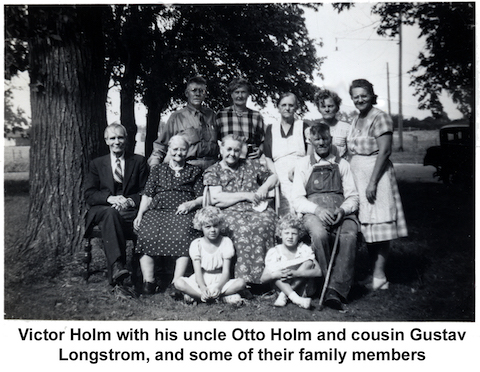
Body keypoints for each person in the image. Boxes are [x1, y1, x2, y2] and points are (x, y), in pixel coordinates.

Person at [347, 79, 408, 290]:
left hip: (377, 176)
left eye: (363, 95)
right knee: (369, 227)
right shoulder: (355, 120)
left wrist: (372, 182)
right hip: (358, 177)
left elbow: (385, 151)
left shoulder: (380, 117)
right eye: (356, 96)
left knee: (380, 226)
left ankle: (380, 275)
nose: (360, 99)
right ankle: (375, 274)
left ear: (372, 96)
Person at [292, 123, 359, 310]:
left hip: (340, 211)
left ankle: (336, 290)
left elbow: (353, 196)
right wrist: (318, 210)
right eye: (317, 139)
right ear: (311, 141)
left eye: (325, 139)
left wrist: (343, 211)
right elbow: (297, 198)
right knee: (319, 235)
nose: (321, 142)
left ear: (330, 139)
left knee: (349, 235)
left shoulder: (342, 164)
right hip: (314, 211)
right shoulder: (303, 164)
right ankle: (323, 281)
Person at [203, 134, 278, 288]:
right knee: (239, 229)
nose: (232, 154)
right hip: (228, 211)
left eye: (236, 150)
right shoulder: (214, 171)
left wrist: (263, 187)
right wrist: (245, 195)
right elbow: (217, 199)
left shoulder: (250, 165)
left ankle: (266, 279)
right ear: (221, 148)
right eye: (229, 149)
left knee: (265, 224)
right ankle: (241, 280)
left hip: (256, 209)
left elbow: (273, 178)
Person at [133, 135, 204, 295]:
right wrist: (140, 214)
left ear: (188, 151)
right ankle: (149, 281)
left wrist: (190, 204)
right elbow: (148, 195)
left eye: (182, 149)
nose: (178, 153)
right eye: (175, 149)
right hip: (158, 209)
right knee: (146, 231)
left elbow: (201, 196)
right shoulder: (158, 169)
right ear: (169, 150)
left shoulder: (195, 170)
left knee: (185, 233)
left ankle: (176, 283)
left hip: (183, 210)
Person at [85, 123, 149, 286]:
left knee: (124, 218)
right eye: (112, 138)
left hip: (129, 209)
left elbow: (145, 191)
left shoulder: (138, 161)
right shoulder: (97, 164)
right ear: (106, 141)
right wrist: (110, 198)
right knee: (111, 214)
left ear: (126, 139)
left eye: (120, 137)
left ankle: (120, 271)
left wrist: (129, 201)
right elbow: (89, 194)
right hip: (103, 209)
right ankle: (118, 266)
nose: (117, 141)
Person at [175, 206, 246, 304]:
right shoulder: (197, 244)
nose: (212, 230)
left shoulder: (226, 242)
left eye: (215, 226)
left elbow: (226, 272)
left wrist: (219, 287)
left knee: (241, 283)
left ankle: (199, 297)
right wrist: (203, 288)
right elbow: (198, 271)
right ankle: (215, 297)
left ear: (220, 225)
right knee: (179, 283)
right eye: (208, 227)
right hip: (201, 279)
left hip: (220, 279)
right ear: (201, 227)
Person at [148, 75, 218, 171]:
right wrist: (154, 167)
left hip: (213, 169)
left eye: (201, 91)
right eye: (194, 90)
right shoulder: (177, 117)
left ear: (205, 94)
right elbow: (161, 146)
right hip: (187, 170)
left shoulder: (212, 115)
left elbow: (226, 141)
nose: (197, 94)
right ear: (186, 93)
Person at [263, 93, 312, 215]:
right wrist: (275, 175)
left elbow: (309, 155)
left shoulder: (303, 126)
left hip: (300, 173)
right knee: (283, 210)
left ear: (296, 107)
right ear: (278, 107)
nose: (287, 108)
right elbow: (268, 157)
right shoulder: (271, 129)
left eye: (291, 105)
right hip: (279, 175)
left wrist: (300, 170)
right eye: (283, 105)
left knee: (301, 210)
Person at [260, 214, 321, 309]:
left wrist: (297, 273)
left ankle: (285, 295)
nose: (290, 237)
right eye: (286, 233)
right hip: (281, 285)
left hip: (303, 288)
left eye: (294, 233)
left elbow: (319, 272)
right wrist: (276, 274)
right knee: (277, 271)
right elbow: (263, 279)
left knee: (308, 262)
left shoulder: (303, 249)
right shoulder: (275, 252)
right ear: (280, 234)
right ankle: (296, 299)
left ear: (299, 234)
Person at [216, 77, 265, 159]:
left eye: (243, 92)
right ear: (231, 94)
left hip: (249, 160)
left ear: (248, 94)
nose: (240, 96)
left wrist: (260, 150)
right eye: (237, 92)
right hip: (228, 160)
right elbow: (214, 140)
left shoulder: (256, 116)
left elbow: (264, 140)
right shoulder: (221, 115)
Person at [311, 89, 351, 158]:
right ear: (318, 109)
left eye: (330, 106)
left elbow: (351, 153)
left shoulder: (347, 128)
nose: (327, 110)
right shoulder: (313, 129)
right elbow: (310, 155)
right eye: (323, 107)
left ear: (337, 108)